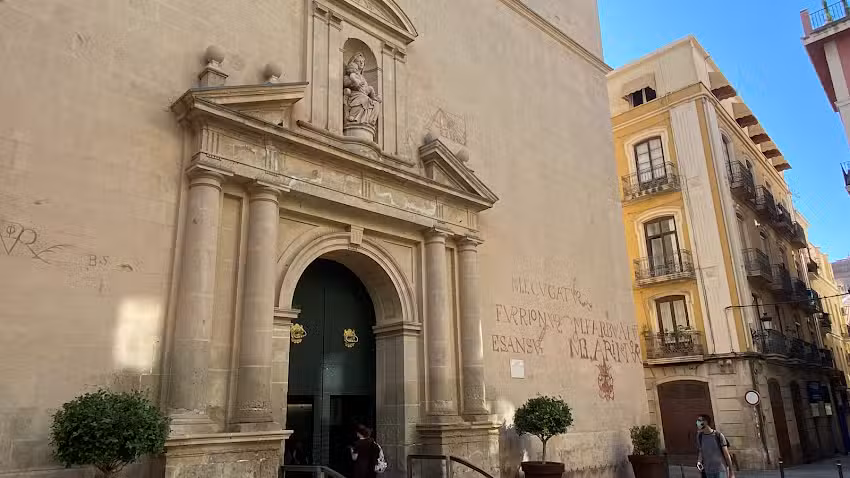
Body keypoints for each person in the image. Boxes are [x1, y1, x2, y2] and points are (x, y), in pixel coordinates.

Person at [696, 413, 735, 478]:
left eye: (699, 420)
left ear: (705, 422)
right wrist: (699, 461)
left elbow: (726, 455)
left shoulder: (718, 436)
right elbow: (701, 451)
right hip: (708, 471)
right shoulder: (699, 436)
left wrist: (731, 472)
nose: (697, 423)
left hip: (720, 470)